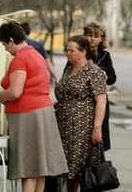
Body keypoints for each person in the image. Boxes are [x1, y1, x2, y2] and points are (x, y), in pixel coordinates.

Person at [0, 21, 68, 192]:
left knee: (27, 168)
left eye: (4, 44)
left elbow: (15, 92)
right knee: (40, 167)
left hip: (26, 115)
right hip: (43, 112)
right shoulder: (36, 55)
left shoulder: (20, 59)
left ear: (11, 40)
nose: (5, 48)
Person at [55, 35, 107, 192]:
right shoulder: (69, 69)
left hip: (81, 128)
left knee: (78, 168)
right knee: (65, 167)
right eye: (67, 50)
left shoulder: (93, 72)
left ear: (83, 52)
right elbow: (66, 95)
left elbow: (101, 102)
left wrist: (96, 128)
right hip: (62, 125)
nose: (68, 53)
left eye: (72, 50)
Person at [84, 21, 117, 151]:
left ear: (101, 38)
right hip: (83, 101)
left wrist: (105, 76)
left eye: (96, 36)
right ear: (85, 35)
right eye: (90, 35)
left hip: (100, 101)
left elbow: (112, 79)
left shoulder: (105, 55)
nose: (92, 38)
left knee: (99, 137)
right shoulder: (80, 52)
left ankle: (98, 168)